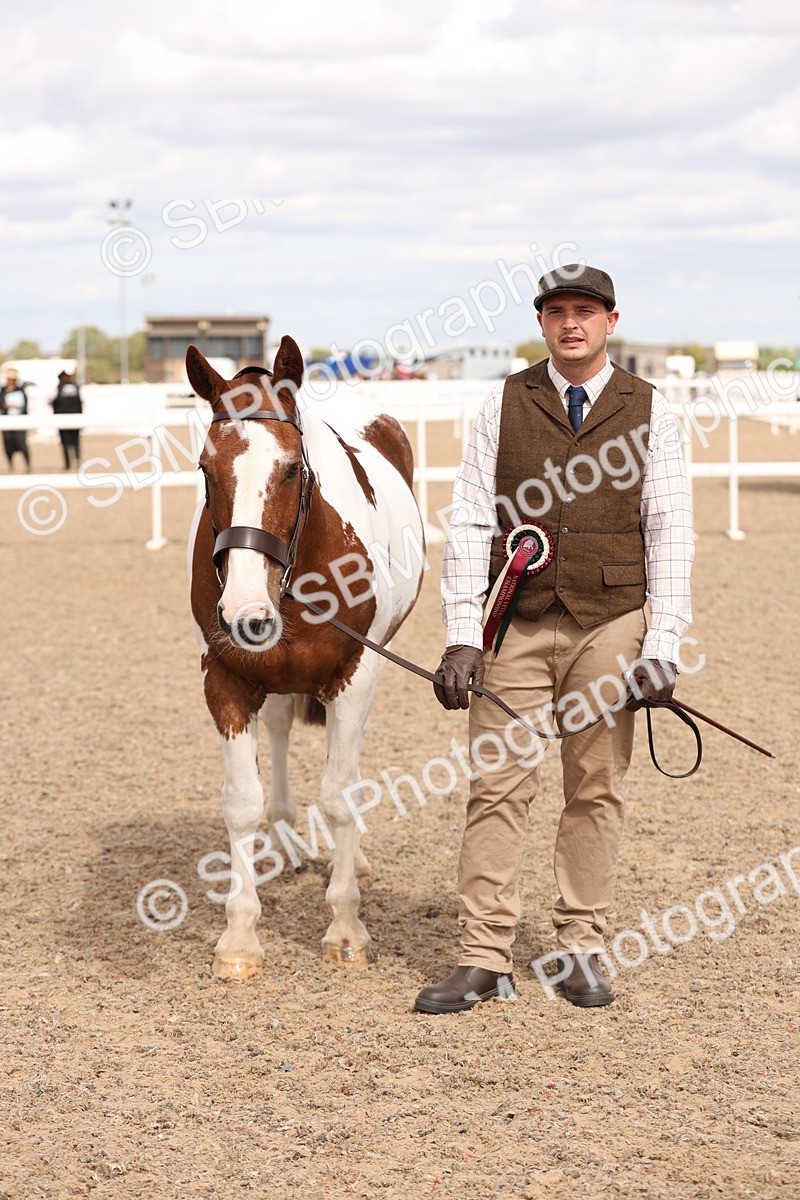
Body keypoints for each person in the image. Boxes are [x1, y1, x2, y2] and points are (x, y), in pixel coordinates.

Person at [414, 264, 694, 1013]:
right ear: (543, 323)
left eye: (586, 311)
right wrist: (461, 635)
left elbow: (669, 531)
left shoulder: (651, 409)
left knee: (595, 786)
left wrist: (662, 643)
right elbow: (472, 518)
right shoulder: (503, 403)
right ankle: (483, 957)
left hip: (611, 622)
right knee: (497, 786)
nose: (572, 323)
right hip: (516, 623)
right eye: (558, 311)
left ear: (610, 320)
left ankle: (581, 946)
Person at [0, 367, 31, 471]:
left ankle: (27, 465)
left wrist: (18, 407)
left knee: (22, 443)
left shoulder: (20, 390)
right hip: (7, 421)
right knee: (8, 444)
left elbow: (25, 405)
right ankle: (11, 465)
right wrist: (6, 406)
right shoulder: (3, 390)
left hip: (19, 420)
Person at [51, 370, 83, 469]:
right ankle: (77, 461)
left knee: (65, 442)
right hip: (75, 418)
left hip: (62, 419)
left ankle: (68, 464)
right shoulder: (76, 387)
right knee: (75, 442)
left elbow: (53, 402)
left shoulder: (59, 388)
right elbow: (80, 403)